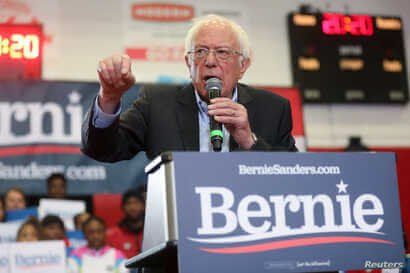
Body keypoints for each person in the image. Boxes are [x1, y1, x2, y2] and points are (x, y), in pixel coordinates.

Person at [81, 14, 297, 162]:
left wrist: (250, 142)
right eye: (200, 52)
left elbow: (293, 175)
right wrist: (109, 98)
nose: (210, 61)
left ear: (243, 65)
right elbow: (102, 151)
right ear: (188, 62)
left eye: (222, 52)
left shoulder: (273, 108)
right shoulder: (157, 103)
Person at [106, 188, 145, 259]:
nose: (132, 207)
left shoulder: (151, 232)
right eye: (128, 203)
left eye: (136, 203)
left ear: (143, 206)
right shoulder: (112, 235)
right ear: (123, 207)